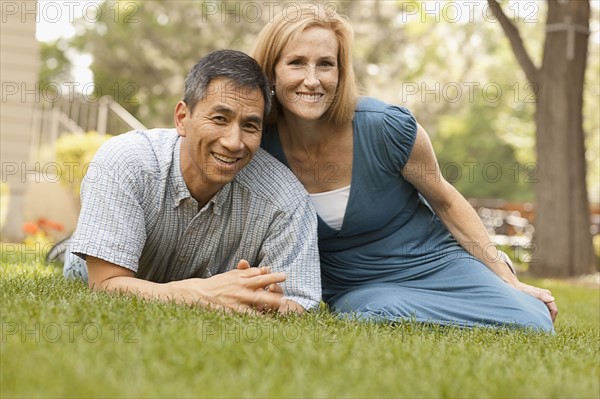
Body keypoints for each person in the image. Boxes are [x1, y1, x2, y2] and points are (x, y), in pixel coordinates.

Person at [252, 4, 557, 331]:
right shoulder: (256, 143)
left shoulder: (385, 127)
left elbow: (446, 201)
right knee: (372, 312)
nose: (312, 80)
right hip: (361, 289)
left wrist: (508, 280)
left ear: (341, 73)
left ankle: (481, 284)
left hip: (435, 262)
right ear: (271, 72)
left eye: (325, 64)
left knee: (533, 321)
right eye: (297, 63)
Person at [63, 49, 321, 314]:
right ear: (182, 118)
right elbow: (105, 284)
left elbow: (299, 301)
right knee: (82, 255)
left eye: (250, 126)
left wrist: (273, 305)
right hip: (87, 265)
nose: (233, 142)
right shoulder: (126, 161)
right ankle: (68, 245)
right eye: (220, 119)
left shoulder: (285, 198)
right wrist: (200, 293)